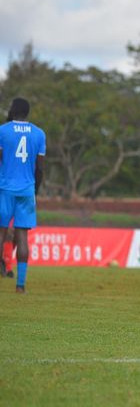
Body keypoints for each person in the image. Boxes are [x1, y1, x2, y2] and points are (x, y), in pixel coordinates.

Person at [0, 97, 46, 294]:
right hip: (27, 190)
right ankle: (20, 286)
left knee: (1, 234)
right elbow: (40, 168)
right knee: (22, 237)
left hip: (5, 188)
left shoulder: (3, 131)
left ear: (12, 110)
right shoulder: (39, 133)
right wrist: (35, 189)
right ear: (27, 112)